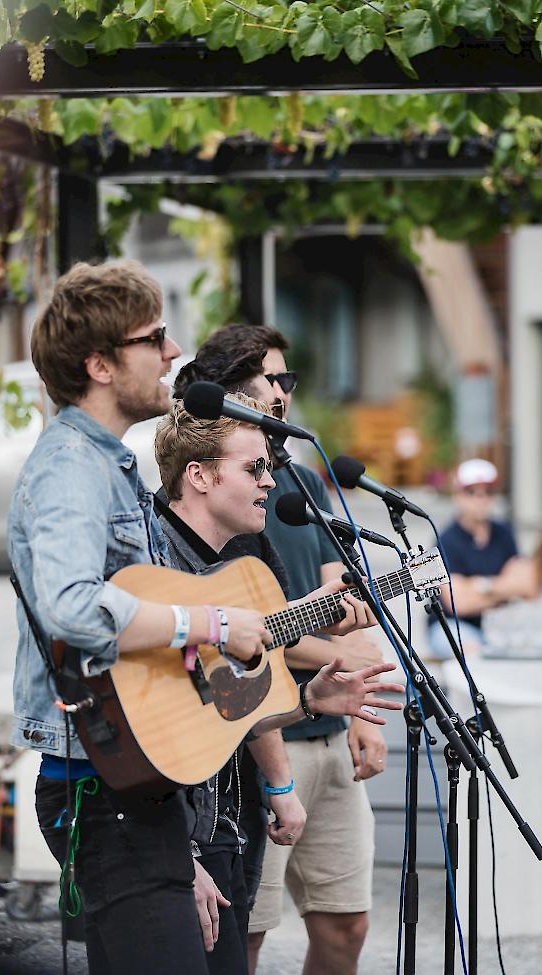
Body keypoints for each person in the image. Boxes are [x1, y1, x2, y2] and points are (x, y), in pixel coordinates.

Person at [7, 261, 387, 974]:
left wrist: (303, 697)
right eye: (153, 337)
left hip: (140, 789)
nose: (174, 351)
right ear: (99, 364)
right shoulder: (69, 470)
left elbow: (170, 686)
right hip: (99, 785)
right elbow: (69, 607)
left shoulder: (107, 465)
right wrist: (209, 623)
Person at [153, 396, 403, 974]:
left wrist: (307, 700)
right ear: (199, 475)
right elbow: (166, 713)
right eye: (254, 469)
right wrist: (181, 854)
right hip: (184, 821)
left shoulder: (243, 561)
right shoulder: (156, 561)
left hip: (224, 806)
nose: (270, 481)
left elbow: (225, 701)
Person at [428, 457, 535, 658]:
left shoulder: (504, 532)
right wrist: (504, 588)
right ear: (457, 495)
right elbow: (457, 603)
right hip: (454, 626)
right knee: (474, 652)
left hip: (499, 623)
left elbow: (527, 586)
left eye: (488, 492)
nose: (480, 498)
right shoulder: (447, 540)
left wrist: (479, 586)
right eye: (471, 492)